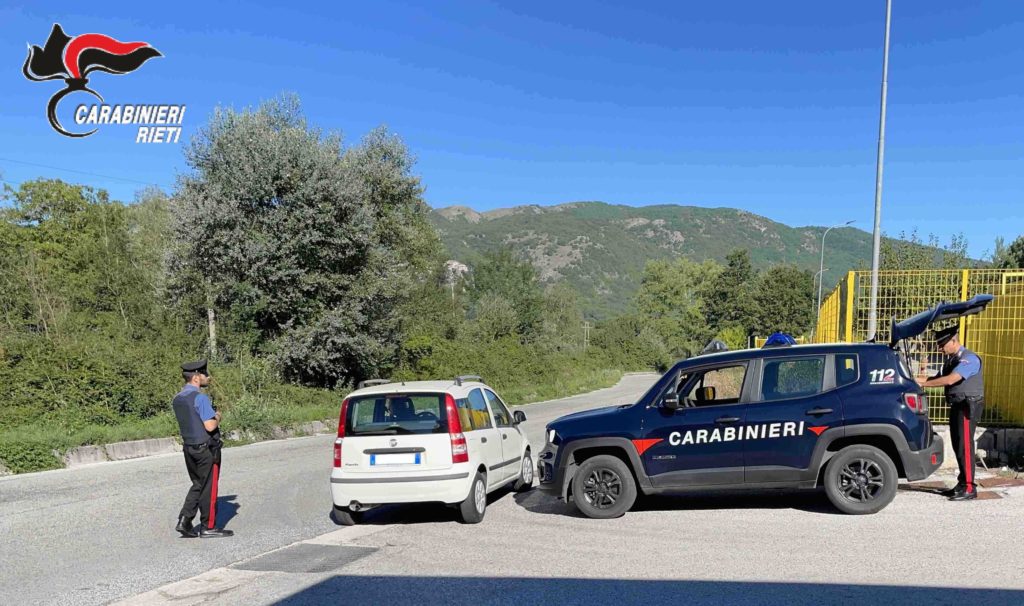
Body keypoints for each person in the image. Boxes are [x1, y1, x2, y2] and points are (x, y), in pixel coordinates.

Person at [916, 326, 984, 501]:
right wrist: (913, 380)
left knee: (965, 446)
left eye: (942, 344)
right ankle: (962, 483)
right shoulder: (951, 360)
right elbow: (935, 379)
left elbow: (951, 380)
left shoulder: (969, 359)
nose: (940, 348)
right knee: (958, 445)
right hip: (957, 406)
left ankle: (969, 487)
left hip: (967, 406)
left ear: (954, 341)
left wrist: (923, 384)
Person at [172, 359, 233, 537]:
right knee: (210, 488)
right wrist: (218, 415)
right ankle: (208, 527)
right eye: (205, 374)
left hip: (189, 448)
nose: (208, 377)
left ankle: (185, 520)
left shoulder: (178, 398)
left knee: (198, 484)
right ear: (196, 377)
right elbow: (210, 426)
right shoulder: (200, 398)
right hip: (206, 449)